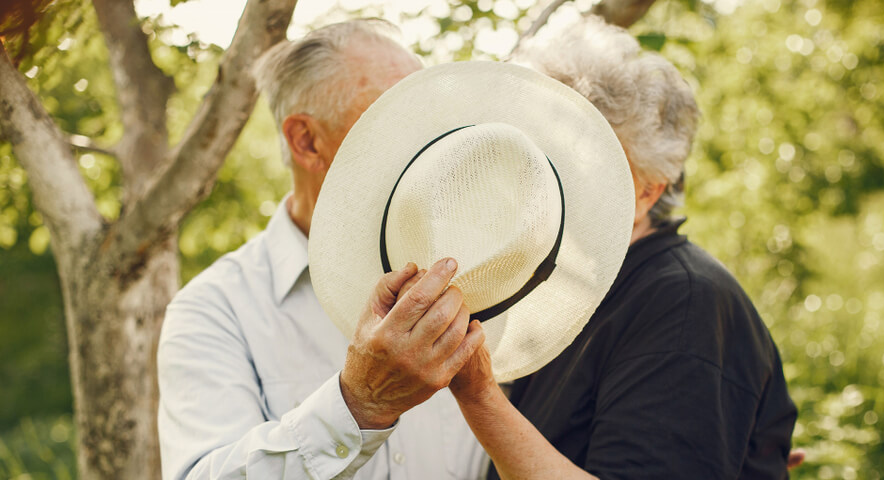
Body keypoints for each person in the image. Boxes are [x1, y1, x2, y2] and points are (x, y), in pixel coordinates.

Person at [445, 17, 799, 479]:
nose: (544, 178)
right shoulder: (566, 288)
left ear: (648, 191)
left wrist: (478, 393)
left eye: (580, 163)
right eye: (539, 150)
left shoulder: (682, 304)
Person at [157, 20, 487, 479]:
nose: (429, 144)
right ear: (307, 141)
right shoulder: (214, 310)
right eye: (396, 119)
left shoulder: (484, 276)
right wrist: (358, 405)